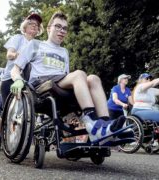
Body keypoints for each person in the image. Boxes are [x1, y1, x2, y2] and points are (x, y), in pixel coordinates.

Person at [9, 11, 125, 143]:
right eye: (57, 26)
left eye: (64, 28)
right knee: (79, 74)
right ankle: (92, 124)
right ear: (48, 28)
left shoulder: (64, 52)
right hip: (41, 84)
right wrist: (18, 80)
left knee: (93, 79)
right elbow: (15, 69)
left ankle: (105, 126)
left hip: (60, 83)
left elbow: (67, 76)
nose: (62, 31)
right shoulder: (35, 44)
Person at [0, 13, 44, 151]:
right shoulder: (17, 38)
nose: (34, 26)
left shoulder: (38, 45)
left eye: (37, 25)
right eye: (31, 23)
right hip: (10, 78)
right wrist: (19, 56)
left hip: (26, 80)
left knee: (22, 111)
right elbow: (9, 55)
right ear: (25, 26)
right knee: (6, 111)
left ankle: (16, 139)